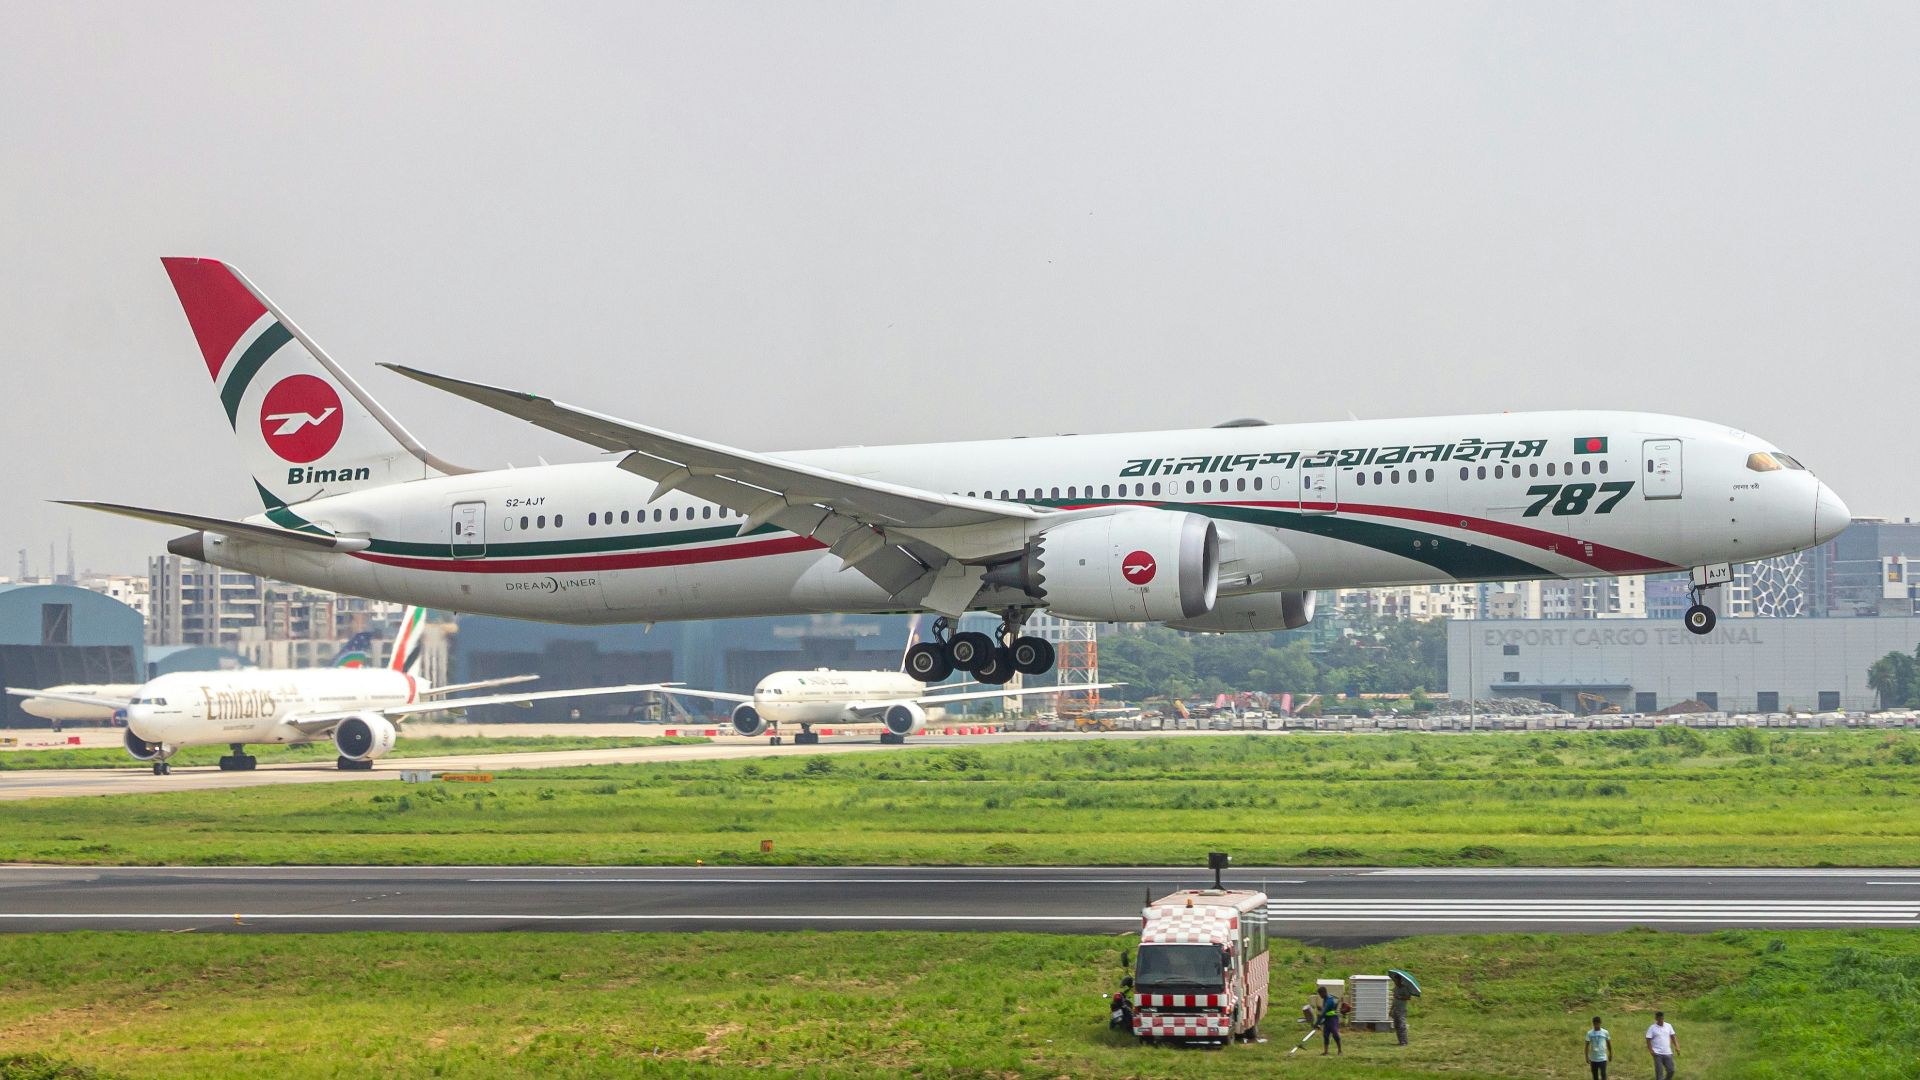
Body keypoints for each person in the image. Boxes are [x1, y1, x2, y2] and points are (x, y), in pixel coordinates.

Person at [1645, 1011, 1677, 1080]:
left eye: (1662, 1018)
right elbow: (1648, 1039)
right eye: (1659, 1019)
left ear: (1663, 1018)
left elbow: (1673, 1036)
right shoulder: (1652, 1028)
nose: (1661, 1020)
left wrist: (1677, 1046)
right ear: (1656, 1019)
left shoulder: (1668, 1026)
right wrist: (1651, 1050)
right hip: (1657, 1053)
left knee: (1671, 1070)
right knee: (1659, 1073)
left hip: (1668, 1052)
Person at [1318, 985, 1342, 1055]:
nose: (1320, 996)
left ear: (1323, 993)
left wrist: (1317, 1023)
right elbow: (1326, 1011)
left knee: (1335, 1034)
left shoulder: (1329, 1000)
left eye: (1320, 994)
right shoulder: (1325, 999)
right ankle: (1326, 1052)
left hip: (1333, 1019)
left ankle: (1340, 1051)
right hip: (1327, 1019)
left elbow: (1324, 1012)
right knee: (1326, 1035)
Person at [1391, 980, 1413, 1045]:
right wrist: (1391, 1010)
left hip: (1401, 1009)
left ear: (1400, 981)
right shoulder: (1395, 988)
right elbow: (1394, 999)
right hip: (1395, 1008)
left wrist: (1400, 997)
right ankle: (1400, 1041)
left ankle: (1404, 1042)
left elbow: (1408, 997)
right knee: (1396, 1025)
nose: (1395, 982)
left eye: (1396, 981)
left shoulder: (1404, 988)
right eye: (1395, 981)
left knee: (1402, 1026)